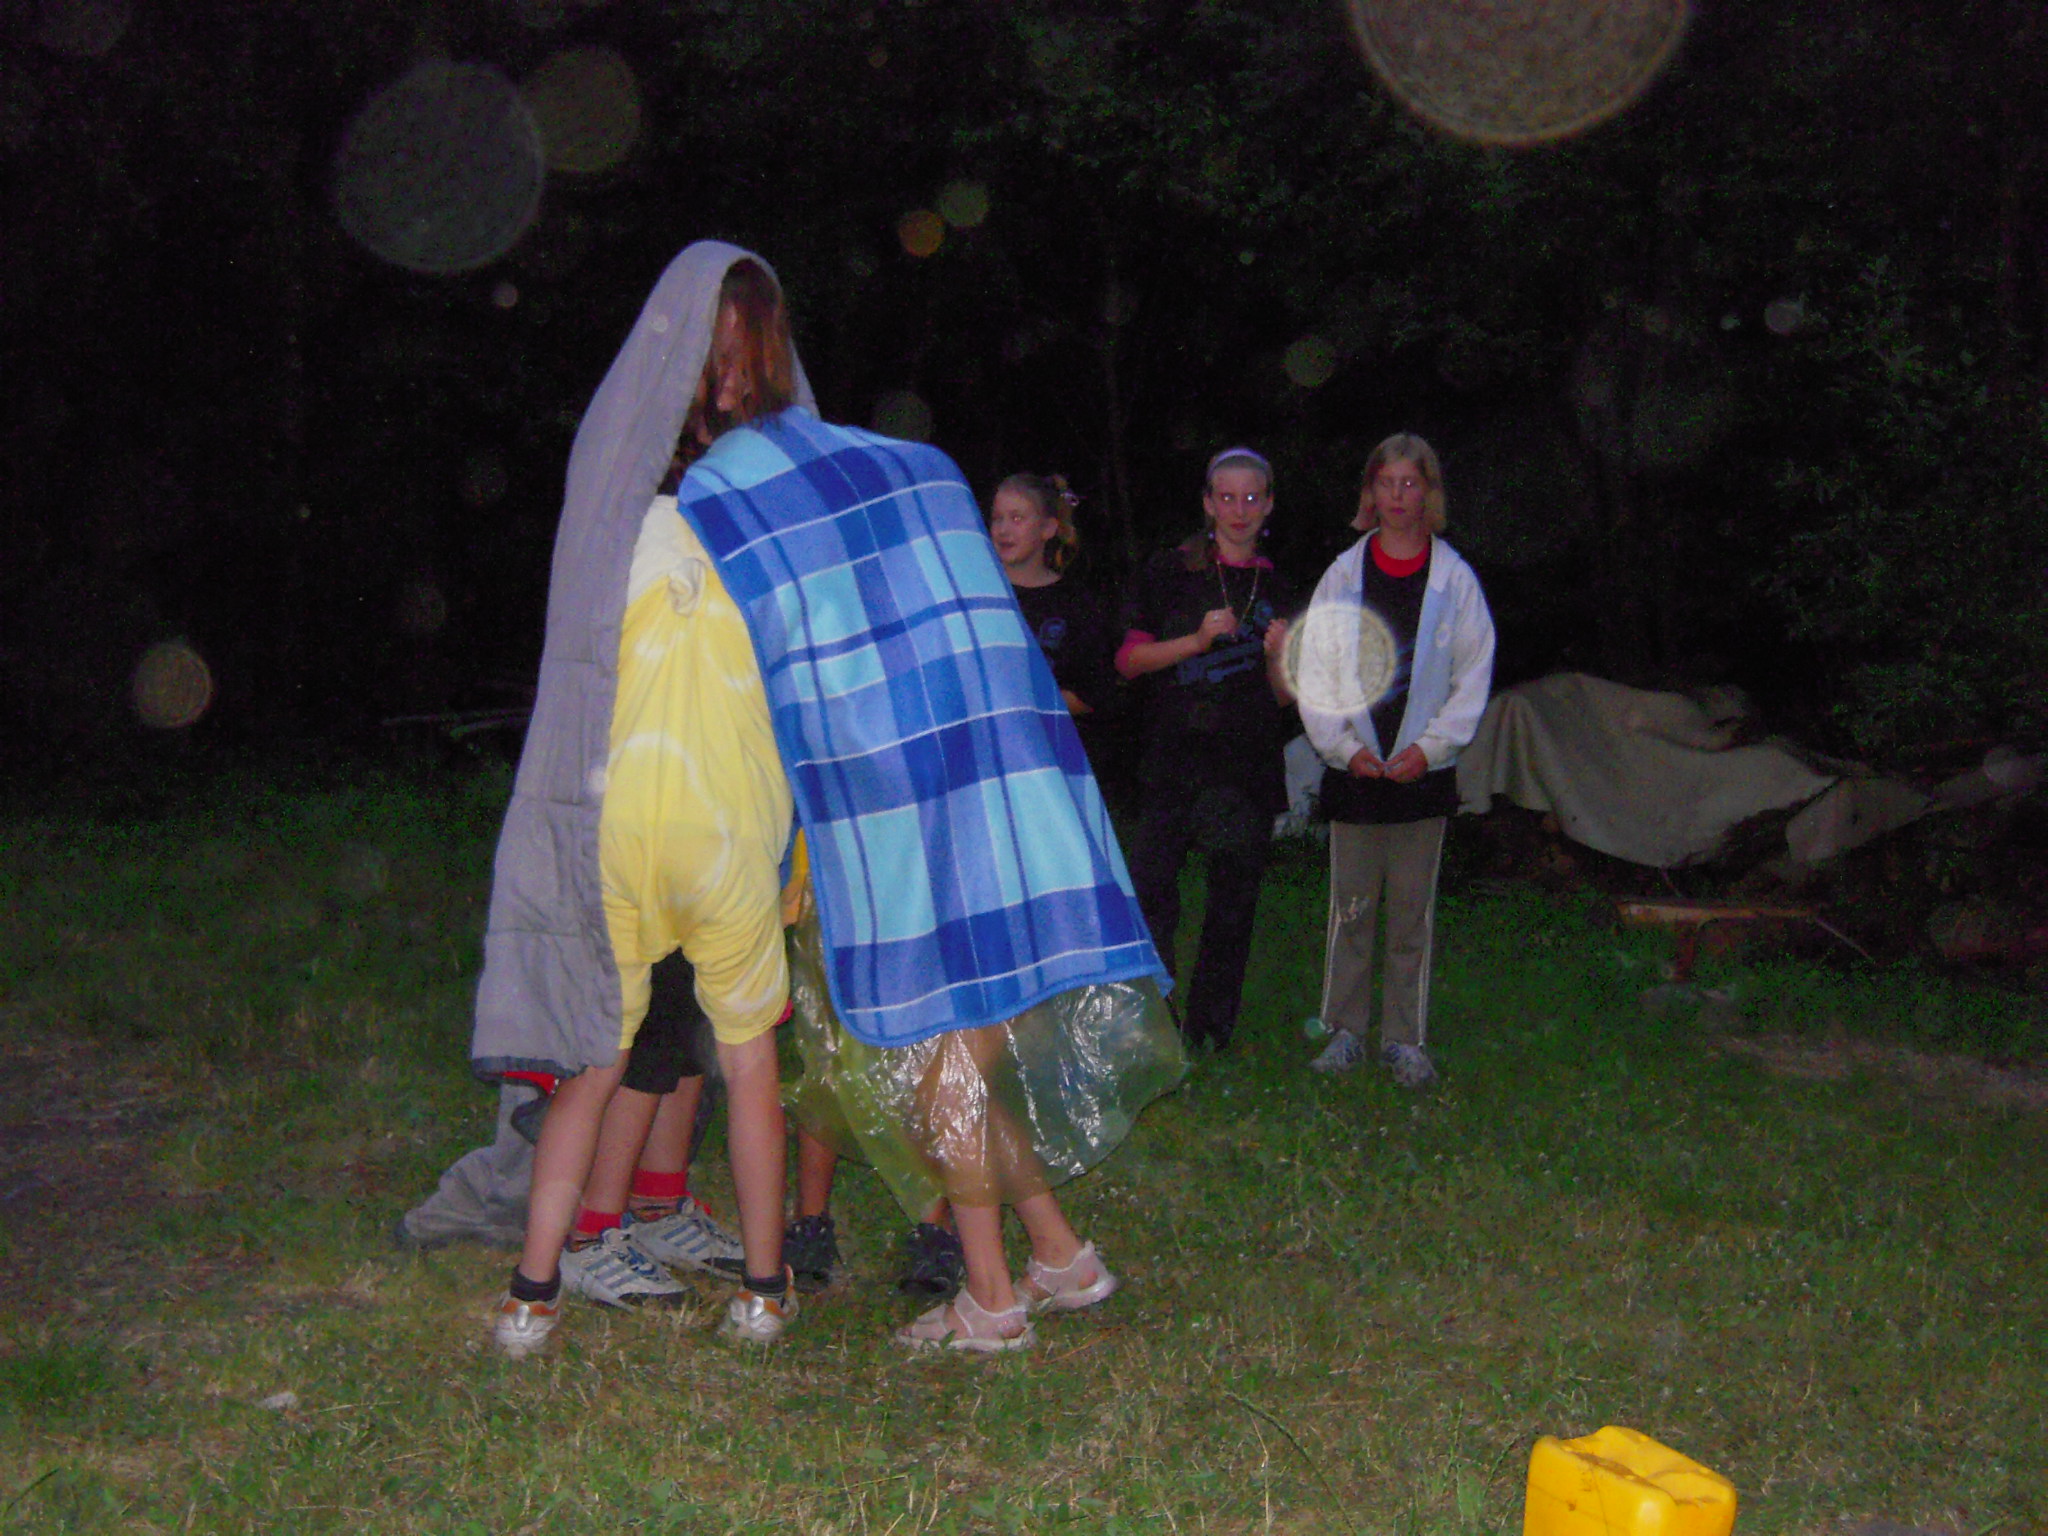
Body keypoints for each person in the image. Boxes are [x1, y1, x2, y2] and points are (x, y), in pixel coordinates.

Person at [657, 310, 1184, 1352]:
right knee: (962, 1044)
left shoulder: (730, 499)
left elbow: (775, 663)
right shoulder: (911, 474)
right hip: (990, 785)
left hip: (904, 802)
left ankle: (990, 1298)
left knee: (940, 1052)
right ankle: (1059, 1257)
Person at [480, 244, 814, 1358]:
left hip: (641, 825)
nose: (731, 371)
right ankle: (752, 1290)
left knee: (614, 1060)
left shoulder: (633, 516)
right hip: (703, 830)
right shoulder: (751, 521)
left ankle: (536, 1297)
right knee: (728, 1061)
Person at [1299, 433, 1495, 1087]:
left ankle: (1405, 1039)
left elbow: (1472, 676)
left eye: (1411, 483)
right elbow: (1315, 668)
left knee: (1411, 914)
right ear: (1371, 492)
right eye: (1387, 483)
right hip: (1355, 771)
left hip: (1421, 775)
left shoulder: (1455, 580)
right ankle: (1344, 1032)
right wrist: (1345, 748)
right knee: (1351, 911)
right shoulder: (1343, 575)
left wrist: (1429, 749)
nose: (1398, 496)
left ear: (1429, 492)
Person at [1115, 447, 1296, 1051]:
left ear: (1268, 505)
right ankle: (1152, 1021)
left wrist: (1280, 657)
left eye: (1252, 498)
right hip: (1173, 756)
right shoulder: (1171, 571)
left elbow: (1283, 697)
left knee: (1233, 901)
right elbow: (1130, 661)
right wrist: (1194, 641)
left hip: (1245, 763)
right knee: (1151, 890)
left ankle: (1210, 1030)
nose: (1239, 510)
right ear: (1208, 504)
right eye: (1227, 497)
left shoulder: (1279, 583)